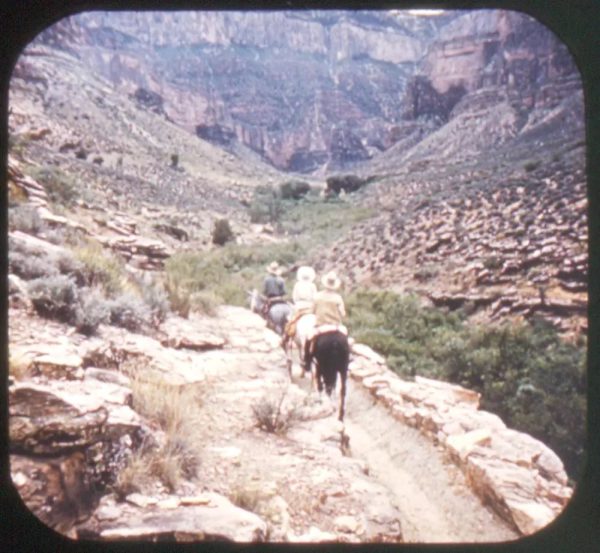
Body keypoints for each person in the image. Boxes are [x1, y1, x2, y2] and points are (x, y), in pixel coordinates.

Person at [304, 270, 347, 364]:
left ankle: (307, 361)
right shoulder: (338, 298)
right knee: (346, 341)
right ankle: (347, 359)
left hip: (321, 326)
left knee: (308, 339)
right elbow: (343, 314)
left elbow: (312, 311)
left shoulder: (317, 296)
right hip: (336, 327)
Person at [283, 266, 317, 345]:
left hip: (299, 306)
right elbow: (315, 297)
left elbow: (294, 297)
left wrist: (297, 303)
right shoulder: (312, 285)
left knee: (291, 321)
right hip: (310, 307)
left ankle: (286, 337)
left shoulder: (297, 285)